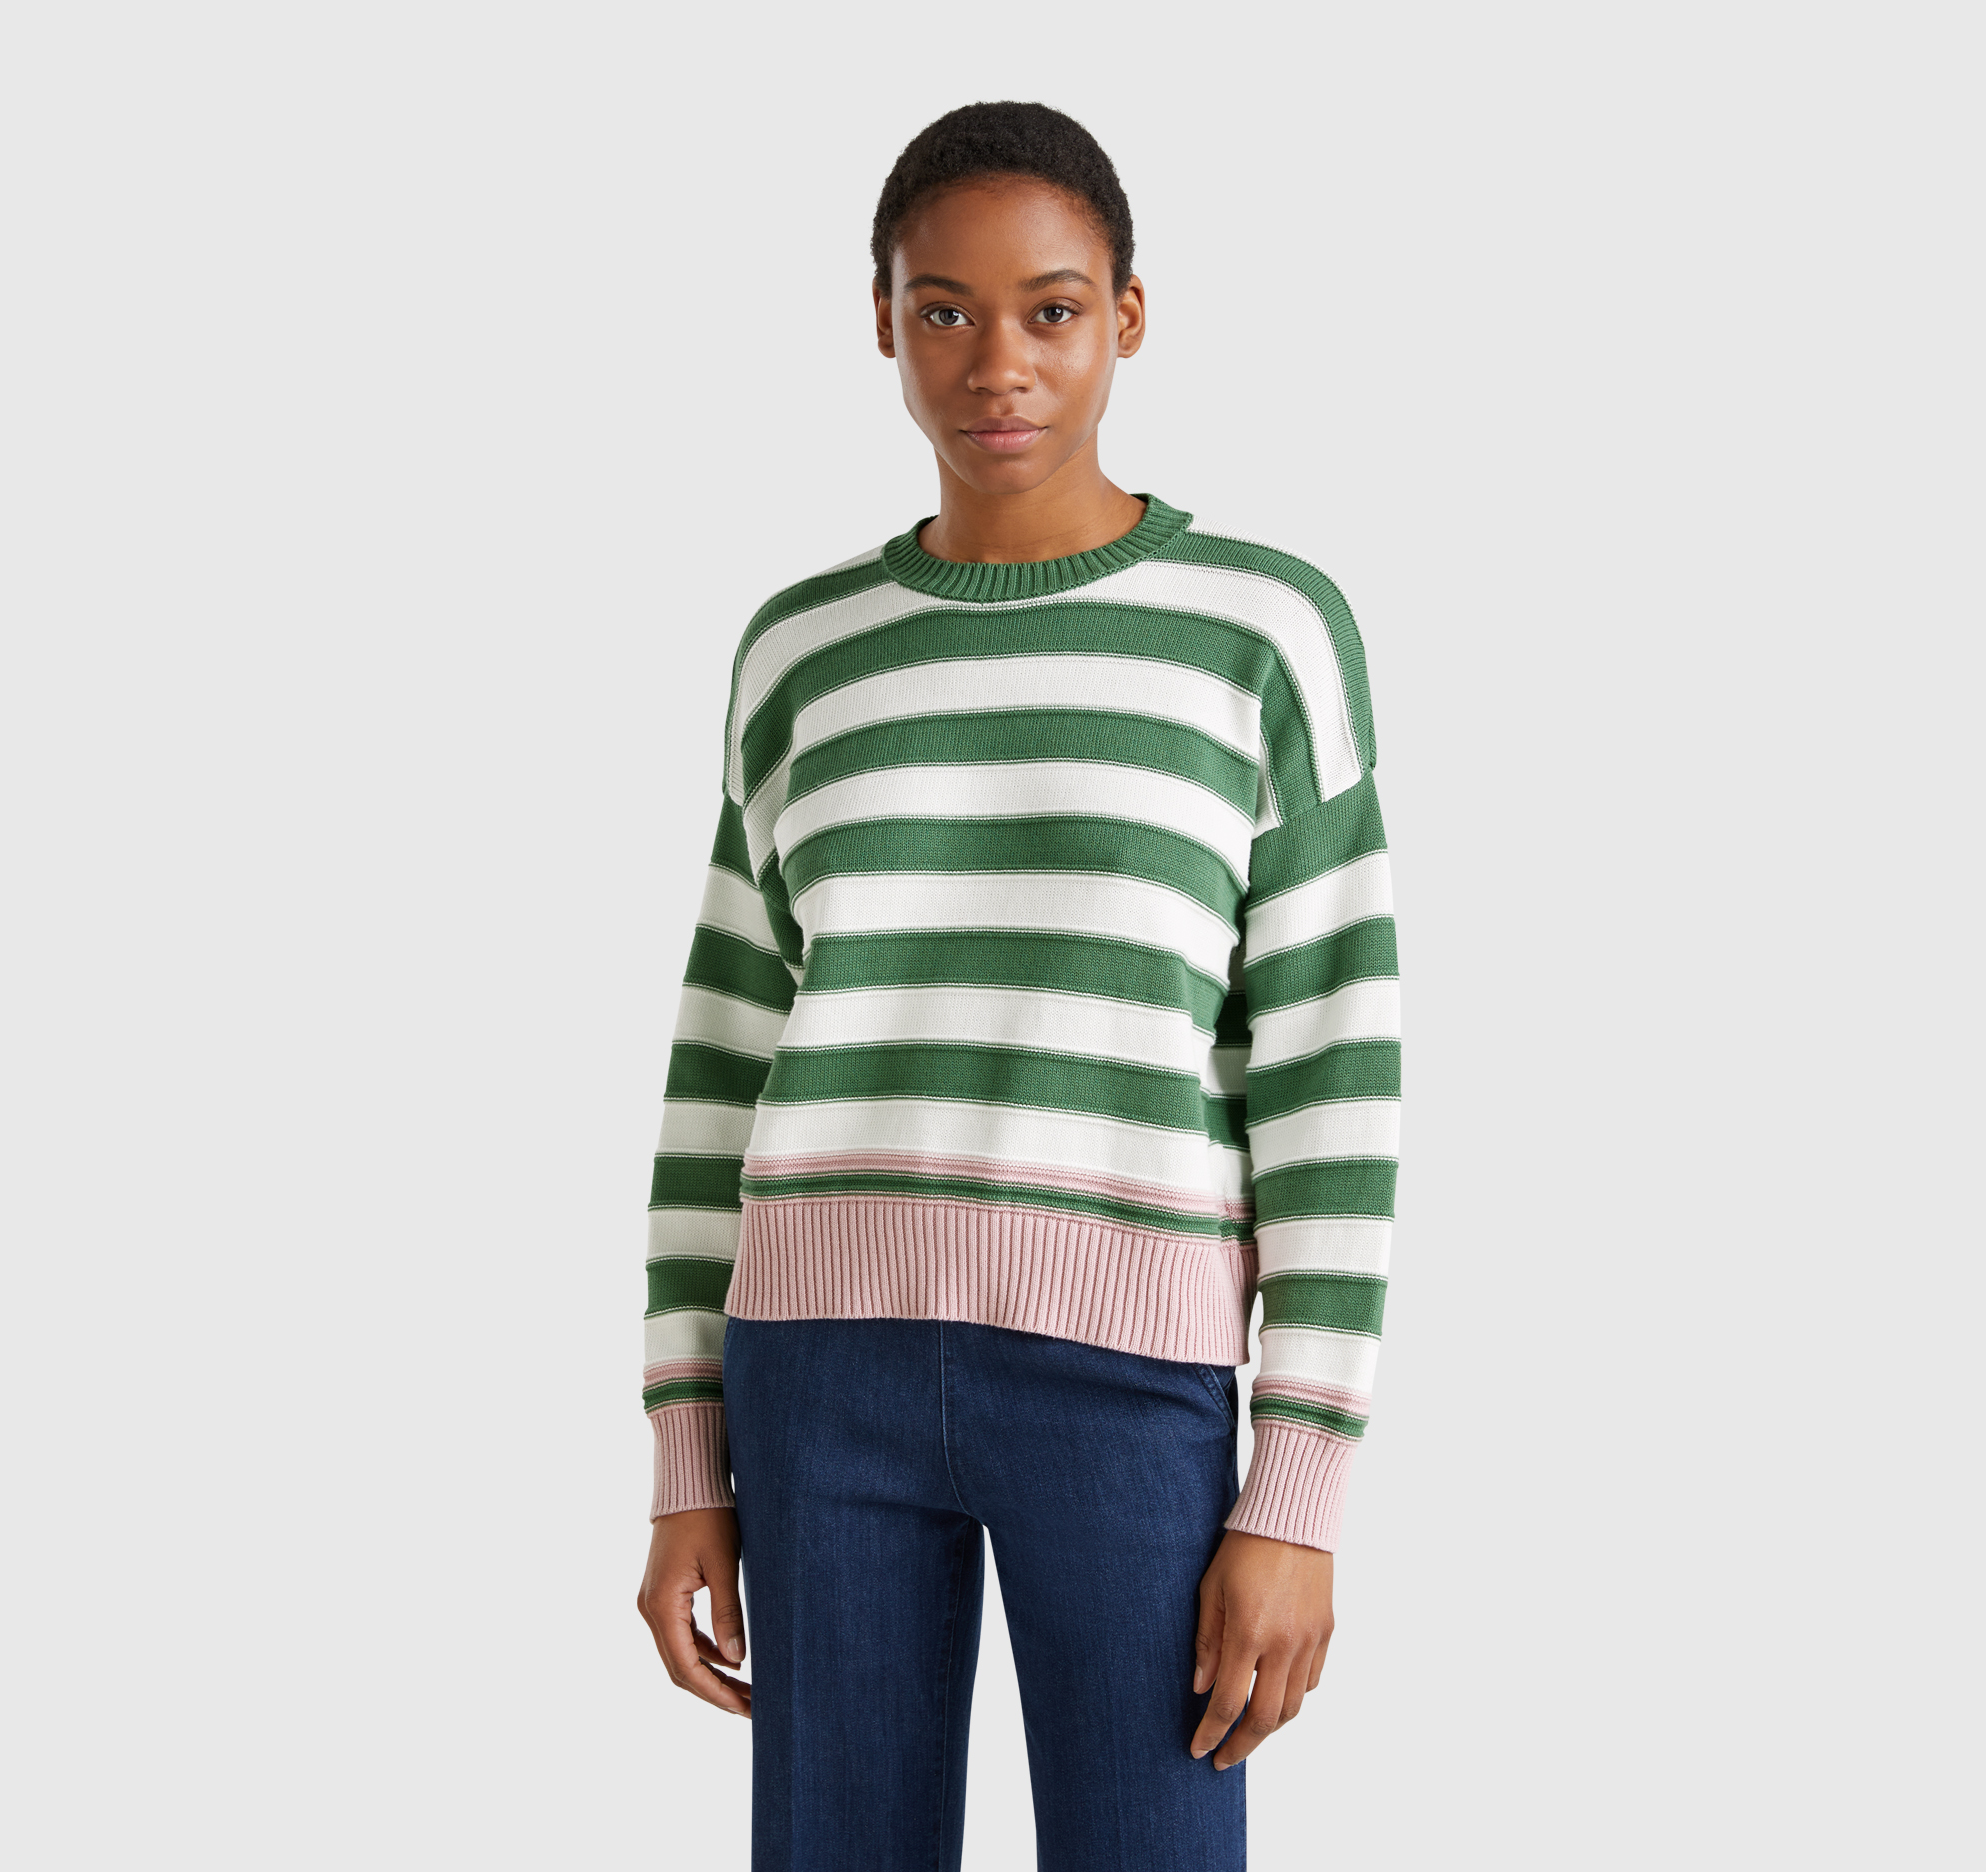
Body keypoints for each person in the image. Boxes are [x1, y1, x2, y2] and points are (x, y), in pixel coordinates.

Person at [633, 100, 1400, 1871]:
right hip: (816, 1369)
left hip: (1129, 1378)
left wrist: (1297, 1494)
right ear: (882, 321)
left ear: (1127, 314)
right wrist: (687, 1459)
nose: (999, 363)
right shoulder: (800, 649)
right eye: (945, 310)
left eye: (1051, 310)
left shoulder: (1264, 633)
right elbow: (723, 1058)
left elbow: (1332, 1072)